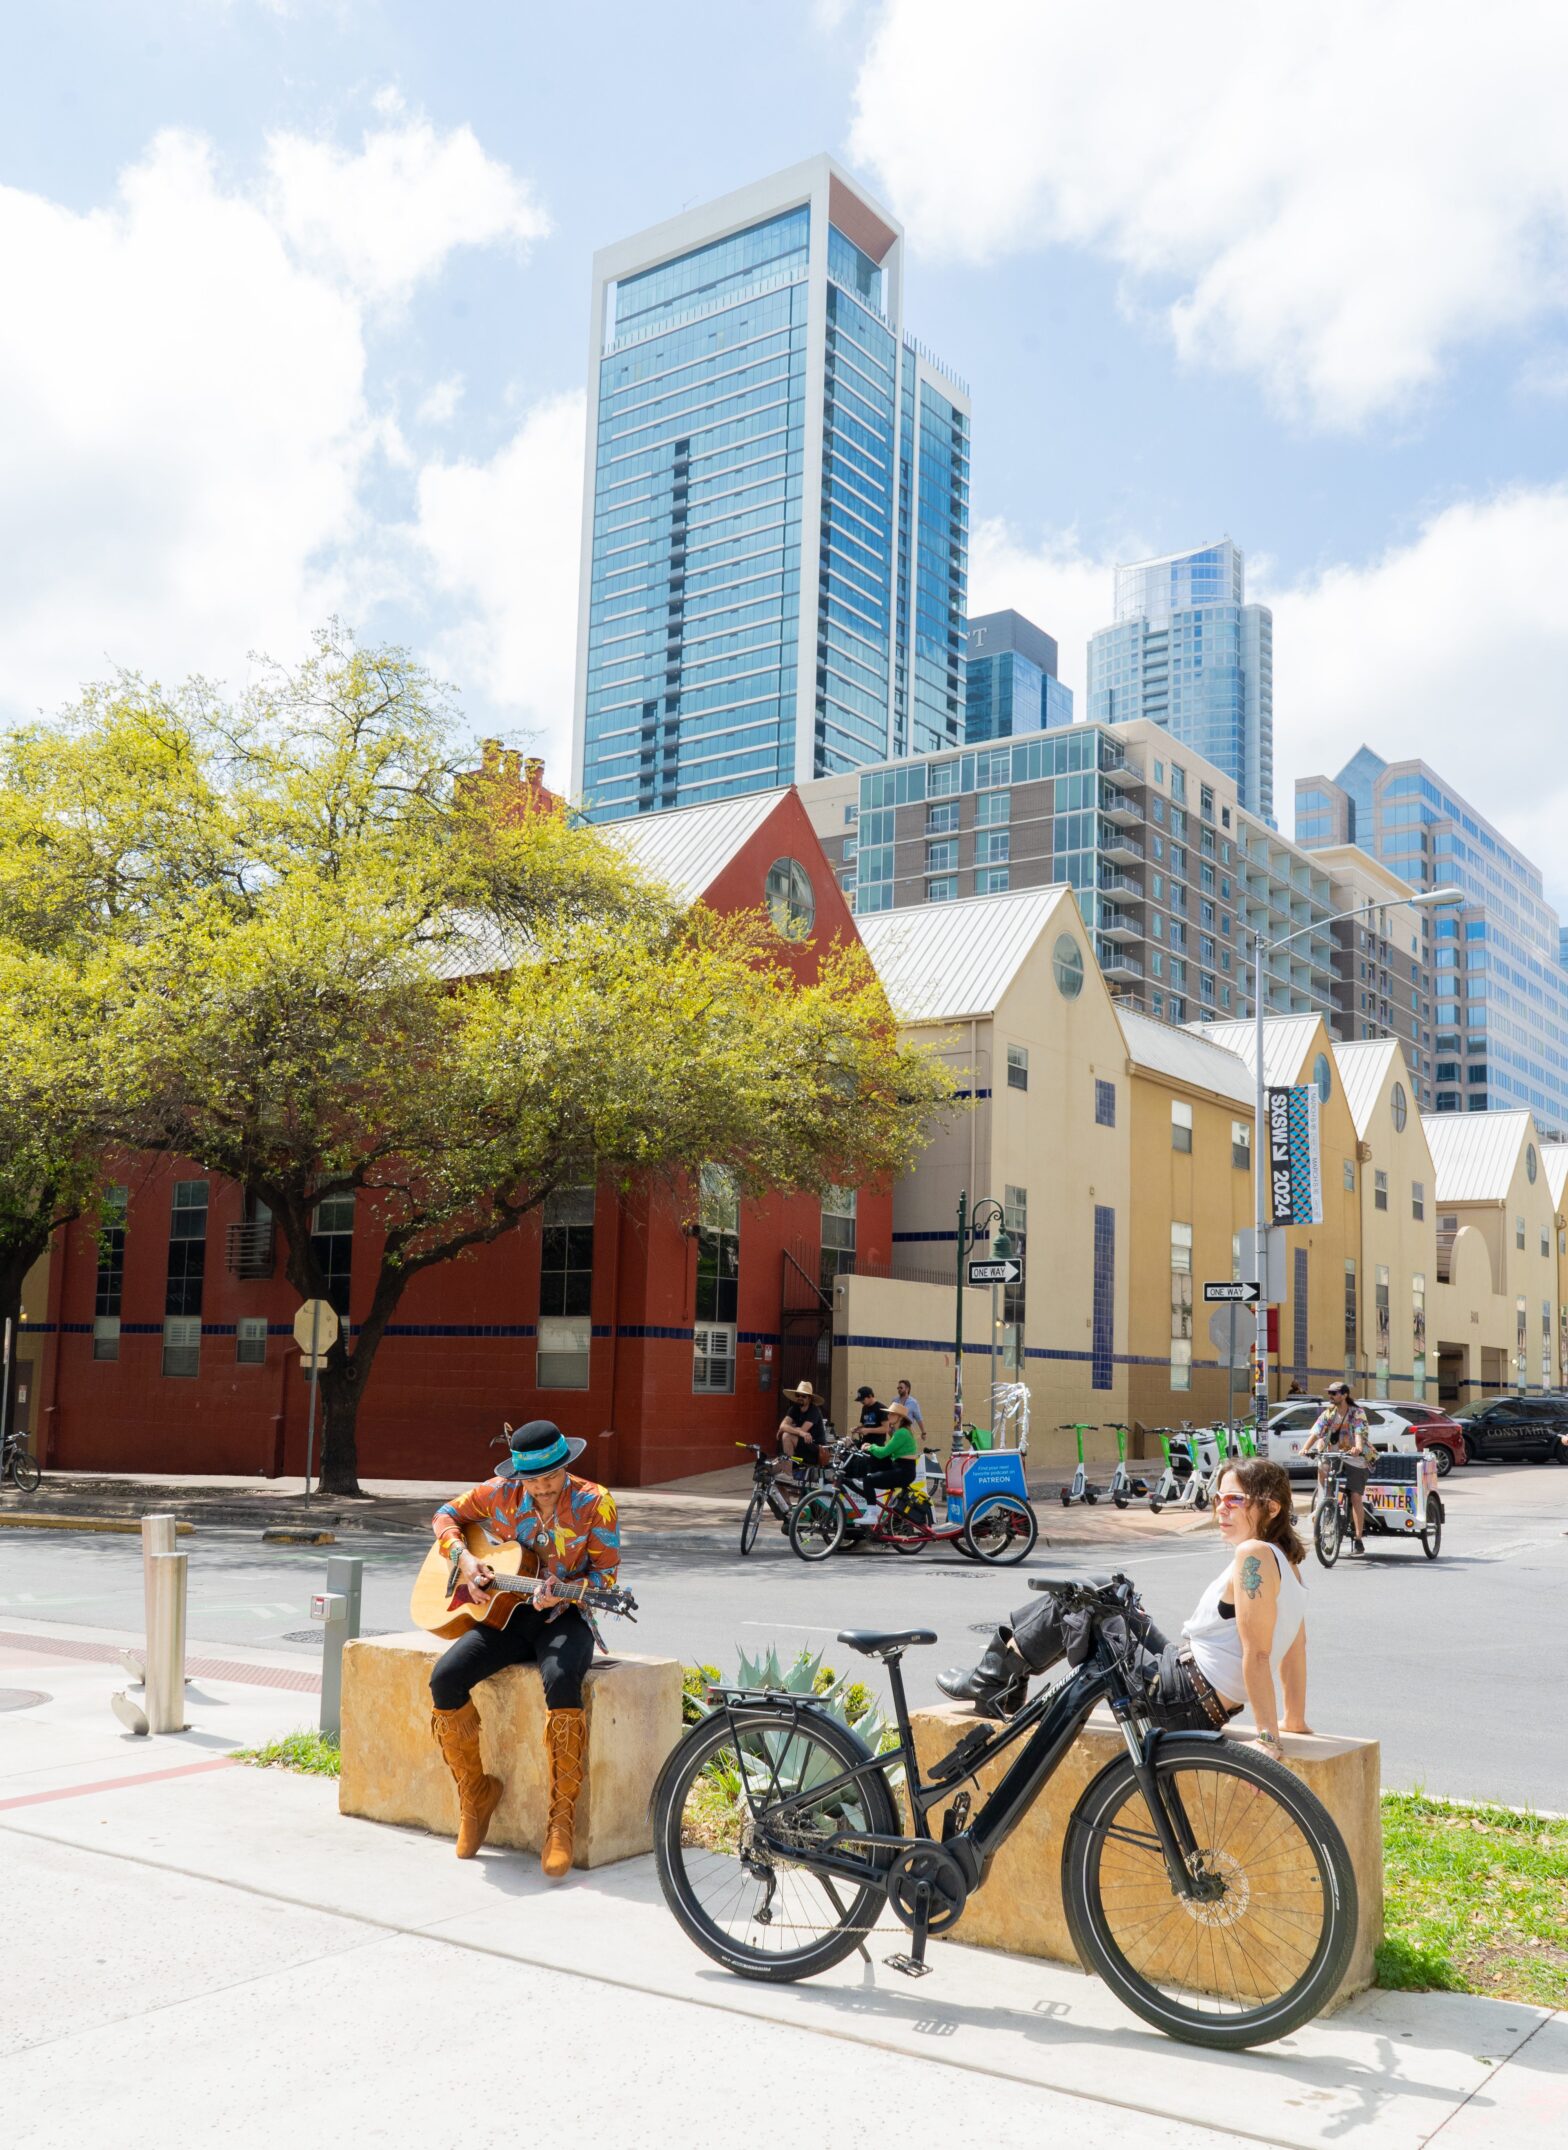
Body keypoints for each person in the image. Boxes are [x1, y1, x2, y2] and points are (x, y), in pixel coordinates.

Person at [938, 1456, 1312, 1754]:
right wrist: (1294, 1720)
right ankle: (998, 1680)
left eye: (1235, 1500)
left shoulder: (1253, 1555)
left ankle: (991, 1680)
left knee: (1081, 1597)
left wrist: (1268, 1738)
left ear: (1271, 1508)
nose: (1221, 1510)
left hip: (1179, 1699)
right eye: (1218, 1499)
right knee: (1105, 1590)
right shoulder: (1289, 1567)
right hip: (1188, 1690)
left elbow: (1259, 1652)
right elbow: (1295, 1649)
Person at [427, 1419, 620, 1873]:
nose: (543, 1487)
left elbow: (607, 1580)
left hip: (565, 1615)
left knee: (561, 1678)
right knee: (445, 1679)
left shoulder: (596, 1502)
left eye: (551, 1476)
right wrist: (465, 1560)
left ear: (566, 1464)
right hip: (507, 1613)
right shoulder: (500, 1493)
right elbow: (443, 1516)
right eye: (532, 1480)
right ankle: (476, 1795)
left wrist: (564, 1592)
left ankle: (561, 1820)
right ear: (517, 1476)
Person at [1300, 1382, 1376, 1555]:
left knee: (1355, 1496)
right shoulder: (1329, 1413)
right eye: (1330, 1393)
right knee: (1322, 1466)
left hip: (1356, 1458)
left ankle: (1358, 1539)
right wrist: (1305, 1448)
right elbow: (1317, 1431)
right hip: (1335, 1454)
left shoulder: (1357, 1412)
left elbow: (1359, 1432)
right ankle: (1328, 1503)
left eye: (1334, 1393)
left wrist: (1357, 1447)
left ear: (1344, 1395)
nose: (1331, 1396)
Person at [843, 1383, 918, 1511]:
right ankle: (863, 1481)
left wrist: (870, 1447)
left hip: (904, 1471)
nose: (888, 1417)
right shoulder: (900, 1432)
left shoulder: (902, 1433)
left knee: (869, 1480)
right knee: (871, 1466)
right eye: (888, 1414)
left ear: (899, 1417)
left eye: (891, 1414)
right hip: (900, 1467)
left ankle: (871, 1514)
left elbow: (884, 1452)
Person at [775, 1381, 829, 1471]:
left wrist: (791, 1429)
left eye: (803, 1396)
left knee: (787, 1436)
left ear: (809, 1398)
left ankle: (787, 1474)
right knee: (773, 1466)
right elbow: (783, 1425)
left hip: (816, 1451)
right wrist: (798, 1431)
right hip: (801, 1448)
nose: (800, 1398)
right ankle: (785, 1473)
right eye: (798, 1395)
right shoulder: (794, 1408)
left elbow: (802, 1430)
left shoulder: (814, 1411)